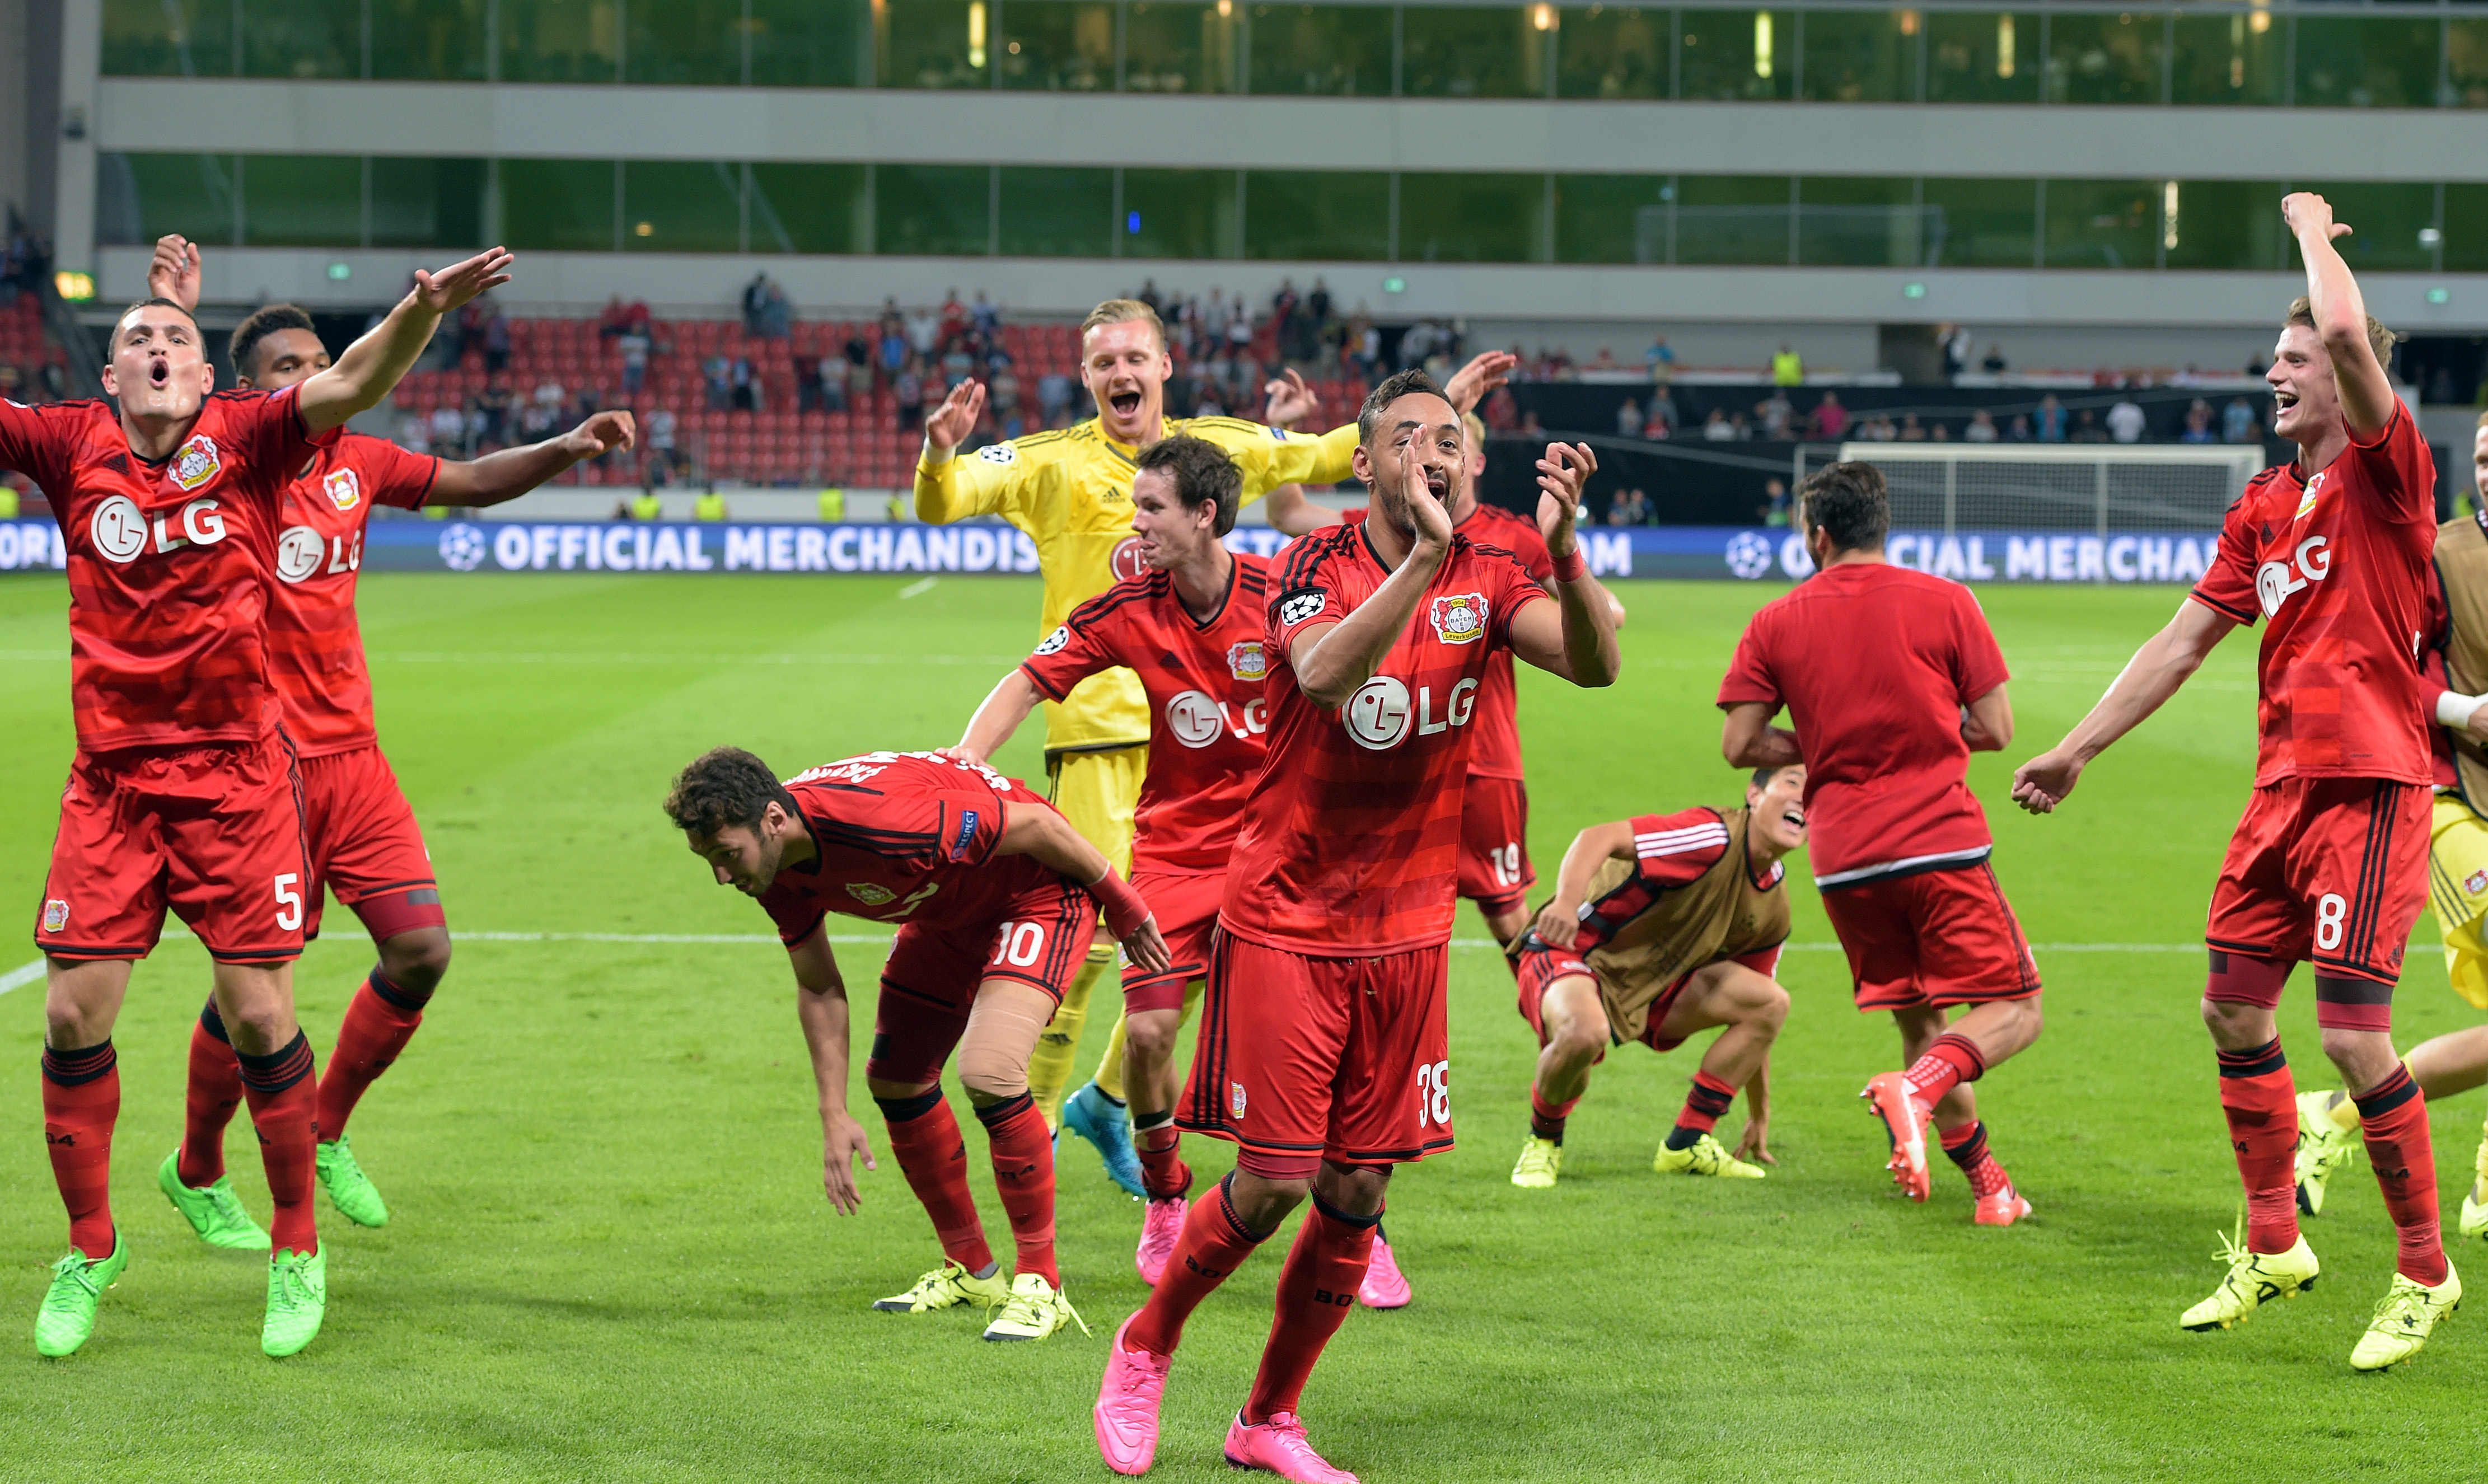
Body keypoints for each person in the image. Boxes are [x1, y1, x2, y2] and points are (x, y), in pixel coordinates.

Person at [1091, 369, 1621, 1481]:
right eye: (1405, 436)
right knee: (1274, 1178)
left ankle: (1266, 1417)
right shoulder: (1309, 565)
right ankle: (1145, 1344)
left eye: (1450, 436)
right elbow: (1325, 674)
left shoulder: (1496, 560)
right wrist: (1423, 562)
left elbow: (1591, 663)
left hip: (1408, 925)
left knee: (1355, 1188)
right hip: (1287, 912)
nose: (1430, 449)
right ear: (1369, 461)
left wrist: (1565, 551)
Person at [4, 242, 513, 1359]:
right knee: (71, 1014)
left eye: (174, 336)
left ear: (205, 375)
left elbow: (354, 384)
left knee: (260, 1015)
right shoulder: (63, 442)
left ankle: (294, 1245)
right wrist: (160, 309)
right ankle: (90, 1245)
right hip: (114, 780)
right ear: (109, 372)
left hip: (239, 776)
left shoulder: (249, 437)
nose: (154, 347)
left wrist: (419, 309)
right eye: (135, 337)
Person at [914, 299, 1503, 1194]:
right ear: (1086, 377)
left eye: (1135, 356)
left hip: (1254, 784)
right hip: (1102, 744)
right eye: (1103, 359)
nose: (1121, 371)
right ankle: (1041, 1132)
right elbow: (942, 503)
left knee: (1227, 970)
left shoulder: (1224, 467)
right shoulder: (1050, 464)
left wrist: (1435, 412)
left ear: (1164, 365)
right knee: (1097, 951)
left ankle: (1129, 1113)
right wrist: (938, 453)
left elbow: (1334, 451)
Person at [2010, 194, 2453, 1371]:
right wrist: (2076, 746)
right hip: (2277, 795)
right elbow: (2176, 642)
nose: (2276, 374)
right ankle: (2273, 1242)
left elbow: (2357, 342)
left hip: (2366, 785)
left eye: (2293, 357)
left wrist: (2310, 231)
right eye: (2273, 358)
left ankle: (2422, 1270)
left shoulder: (2387, 476)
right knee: (2228, 1007)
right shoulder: (2261, 507)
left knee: (2353, 1037)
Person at [142, 245, 634, 1253]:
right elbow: (150, 416)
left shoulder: (358, 465)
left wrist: (568, 446)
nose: (314, 375)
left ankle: (323, 1128)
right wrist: (165, 311)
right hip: (261, 768)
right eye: (290, 366)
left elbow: (471, 480)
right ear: (246, 391)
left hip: (353, 761)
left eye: (319, 358)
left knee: (420, 950)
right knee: (256, 985)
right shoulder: (227, 457)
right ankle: (196, 1167)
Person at [665, 747, 1168, 1343]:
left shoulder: (882, 821)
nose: (723, 875)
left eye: (727, 855)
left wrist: (1126, 905)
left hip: (1036, 894)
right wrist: (833, 1110)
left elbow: (1036, 825)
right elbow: (820, 984)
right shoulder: (771, 867)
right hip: (946, 913)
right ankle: (974, 1270)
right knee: (897, 1079)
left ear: (773, 819)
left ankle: (1041, 1283)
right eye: (710, 860)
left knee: (989, 1068)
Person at [950, 436, 1267, 1291]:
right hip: (1176, 848)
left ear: (1205, 514)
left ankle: (1362, 1217)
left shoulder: (1282, 598)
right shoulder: (1130, 606)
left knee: (1299, 1045)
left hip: (1279, 849)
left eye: (1153, 507)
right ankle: (1167, 1195)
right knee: (1155, 1030)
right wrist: (966, 762)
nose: (1136, 524)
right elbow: (1026, 679)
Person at [1719, 462, 2041, 1228]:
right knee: (2016, 1007)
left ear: (1817, 534)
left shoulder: (1776, 619)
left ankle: (1991, 1186)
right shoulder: (1945, 600)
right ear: (1881, 525)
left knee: (1920, 1017)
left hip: (1844, 858)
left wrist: (1826, 744)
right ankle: (1919, 1090)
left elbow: (1740, 744)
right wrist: (1921, 731)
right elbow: (1996, 728)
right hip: (1937, 838)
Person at [2298, 411, 2488, 1235]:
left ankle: (2334, 1115)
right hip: (2454, 797)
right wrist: (2460, 708)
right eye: (2483, 453)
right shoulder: (2441, 554)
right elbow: (2370, 671)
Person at [1507, 765, 1806, 1187]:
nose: (1803, 800)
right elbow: (1600, 836)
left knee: (1772, 999)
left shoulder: (1773, 903)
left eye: (1815, 796)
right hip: (1573, 950)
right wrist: (1565, 904)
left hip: (1652, 984)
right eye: (1793, 784)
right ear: (1754, 795)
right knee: (1583, 1034)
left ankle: (1687, 1143)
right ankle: (1544, 1142)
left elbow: (1760, 1014)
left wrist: (1760, 1114)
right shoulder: (1712, 836)